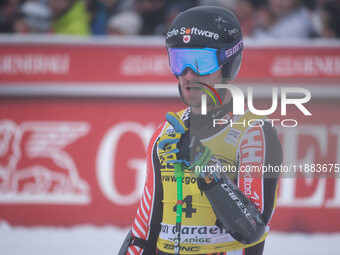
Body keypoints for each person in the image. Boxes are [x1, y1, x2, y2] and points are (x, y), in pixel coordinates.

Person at [119, 6, 282, 255]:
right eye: (179, 61)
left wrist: (205, 167)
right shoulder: (165, 133)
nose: (188, 75)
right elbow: (146, 230)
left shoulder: (255, 132)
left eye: (201, 62)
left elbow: (252, 228)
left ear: (228, 63)